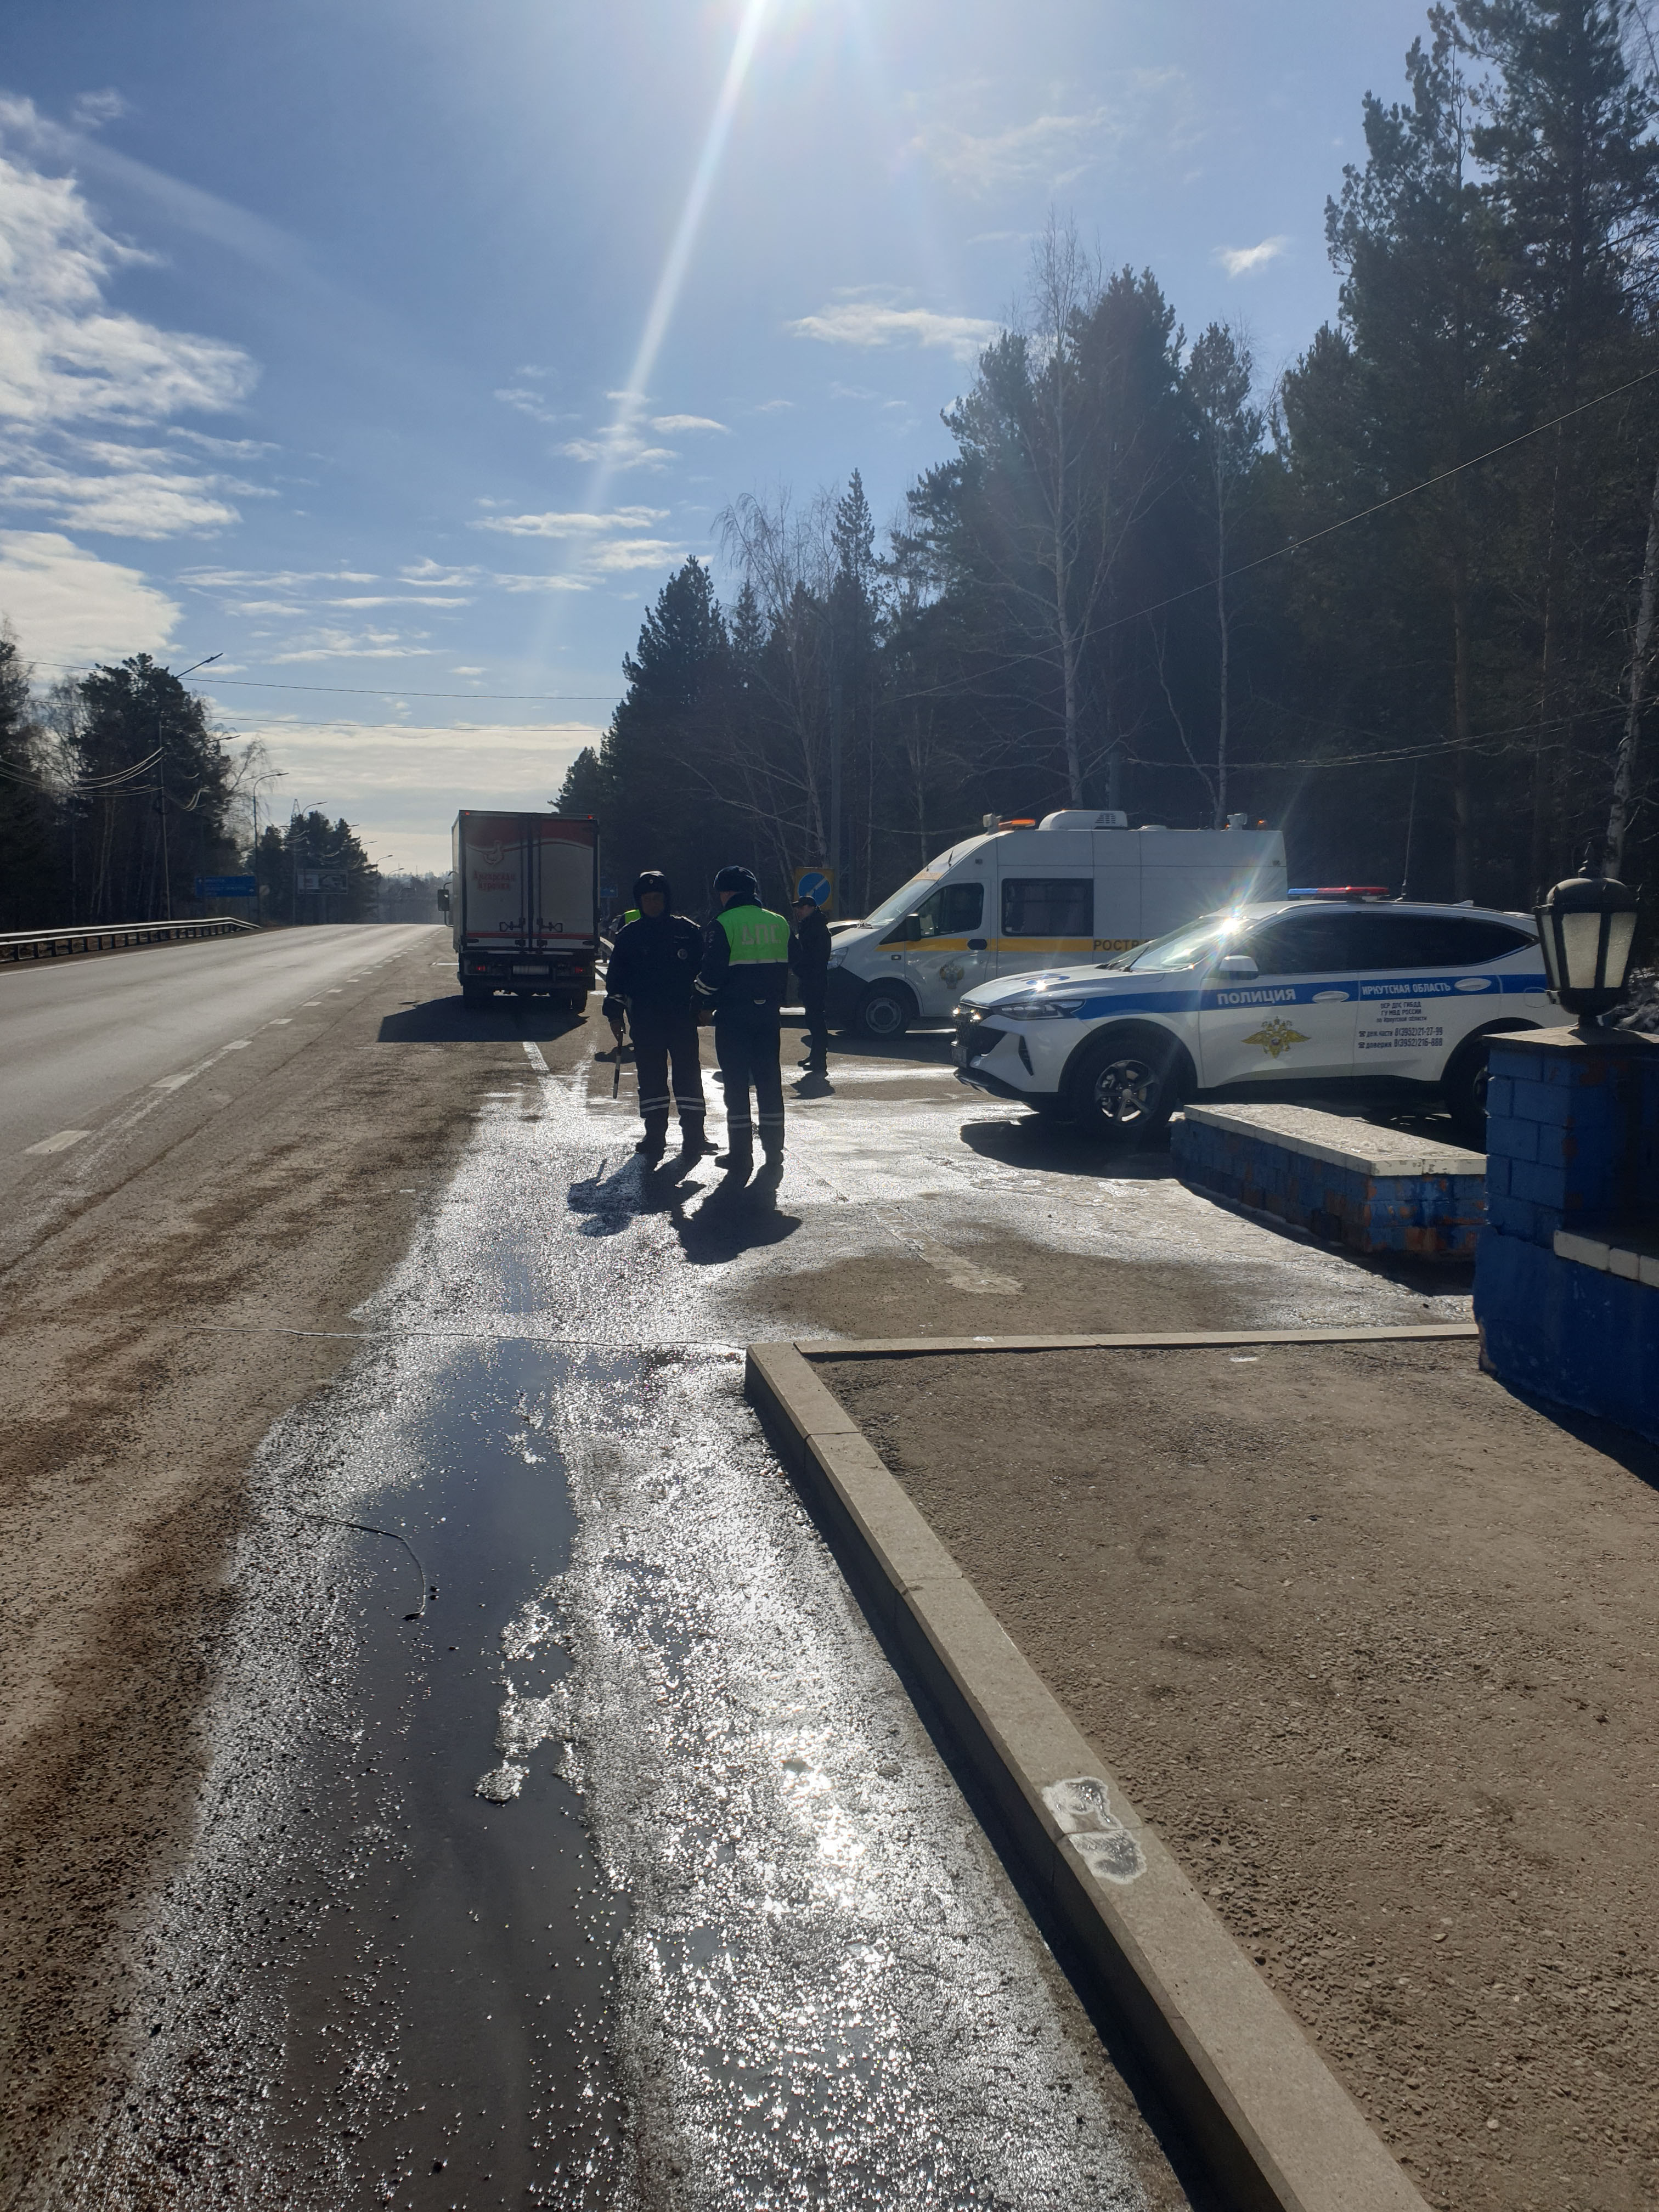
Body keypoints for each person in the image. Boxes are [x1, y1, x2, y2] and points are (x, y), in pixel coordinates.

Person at [696, 865, 789, 1184]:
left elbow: (712, 974)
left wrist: (699, 1003)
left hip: (734, 1016)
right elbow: (794, 964)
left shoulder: (723, 924)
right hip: (769, 1016)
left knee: (736, 1086)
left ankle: (741, 1153)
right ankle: (775, 1149)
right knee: (768, 1081)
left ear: (725, 893)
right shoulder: (779, 923)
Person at [605, 872, 707, 1161]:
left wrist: (703, 1005)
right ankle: (654, 1134)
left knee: (688, 1075)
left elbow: (703, 972)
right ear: (639, 902)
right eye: (647, 899)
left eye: (657, 899)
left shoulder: (687, 931)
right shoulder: (629, 935)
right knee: (651, 1077)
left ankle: (695, 1135)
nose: (652, 904)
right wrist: (614, 1013)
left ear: (666, 900)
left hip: (681, 1017)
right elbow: (617, 979)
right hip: (645, 1018)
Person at [789, 894, 832, 1074]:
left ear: (810, 908)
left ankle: (820, 1058)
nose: (798, 911)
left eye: (801, 907)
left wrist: (800, 968)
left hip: (815, 979)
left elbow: (814, 957)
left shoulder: (816, 928)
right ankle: (816, 1055)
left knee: (816, 1019)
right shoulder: (811, 926)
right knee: (813, 1018)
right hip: (812, 979)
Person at [599, 904, 640, 1057]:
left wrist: (614, 1015)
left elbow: (619, 941)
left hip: (630, 975)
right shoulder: (667, 919)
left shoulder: (628, 917)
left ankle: (639, 1039)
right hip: (647, 978)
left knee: (633, 1012)